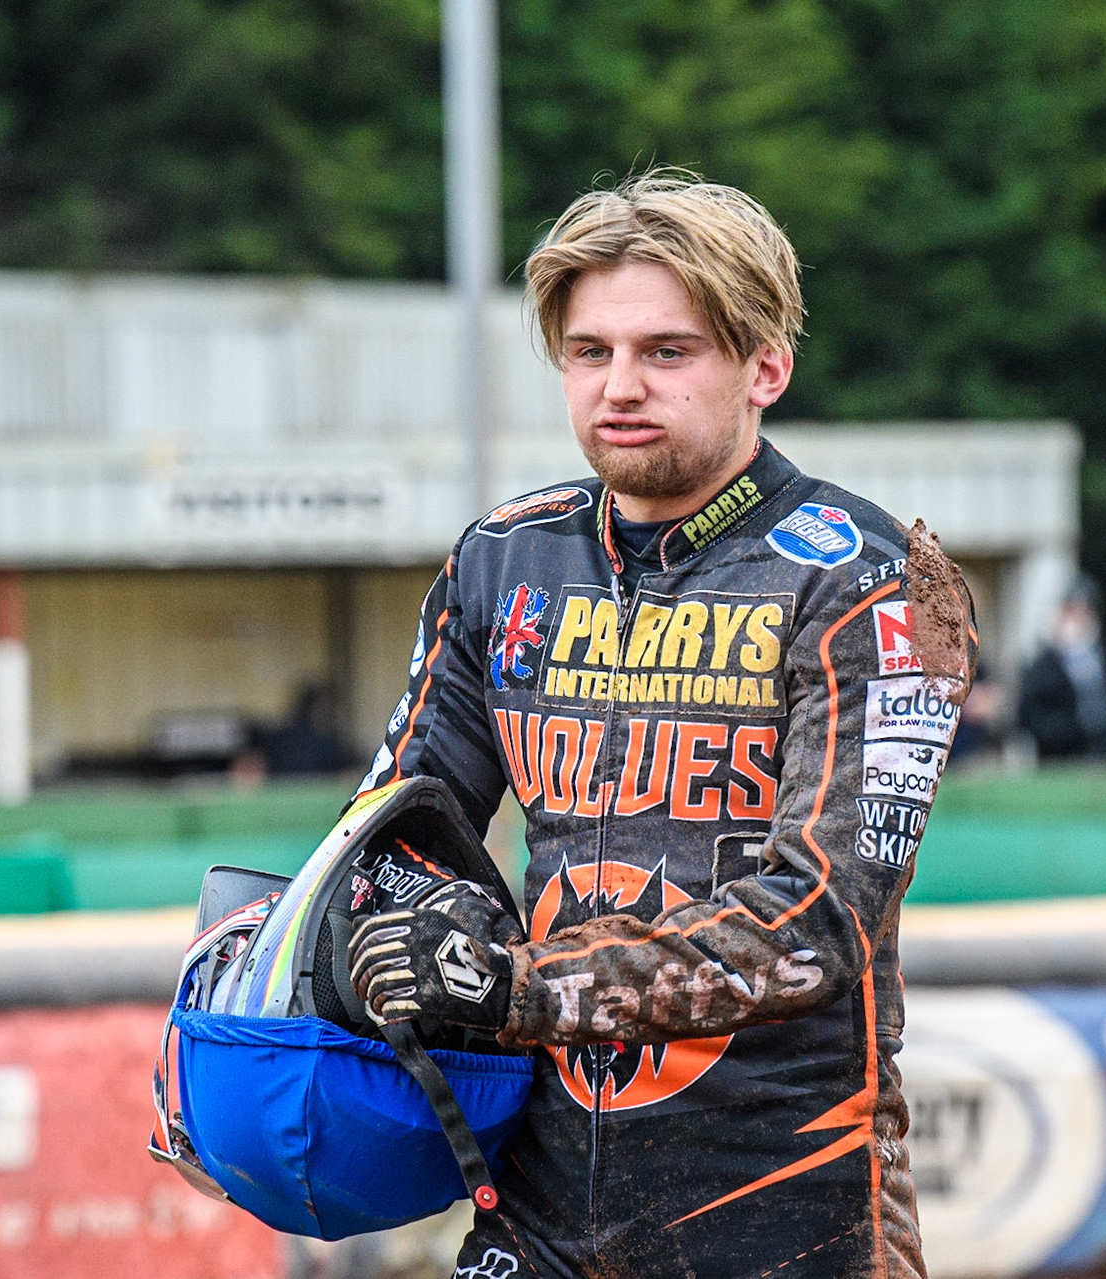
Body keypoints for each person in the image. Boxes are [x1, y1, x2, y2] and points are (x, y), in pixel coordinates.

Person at [344, 171, 976, 1279]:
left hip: (787, 1202)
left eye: (667, 352)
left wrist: (516, 988)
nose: (620, 387)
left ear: (764, 368)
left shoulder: (869, 581)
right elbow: (389, 833)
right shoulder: (503, 558)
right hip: (534, 1190)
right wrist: (415, 937)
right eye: (590, 353)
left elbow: (817, 924)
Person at [1015, 575, 1106, 758]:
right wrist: (1075, 727)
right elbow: (1031, 715)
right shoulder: (1043, 665)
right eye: (1070, 611)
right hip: (1060, 756)